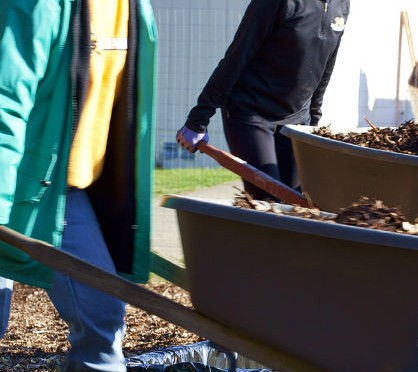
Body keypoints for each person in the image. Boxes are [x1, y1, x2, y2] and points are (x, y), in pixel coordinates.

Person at [0, 1, 157, 370]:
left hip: (62, 190)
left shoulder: (135, 7)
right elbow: (6, 100)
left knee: (102, 318)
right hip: (10, 179)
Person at [176, 0, 350, 201]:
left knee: (298, 202)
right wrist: (198, 119)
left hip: (295, 120)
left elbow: (326, 66)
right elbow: (237, 56)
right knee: (269, 202)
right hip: (251, 113)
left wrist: (312, 124)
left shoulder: (341, 5)